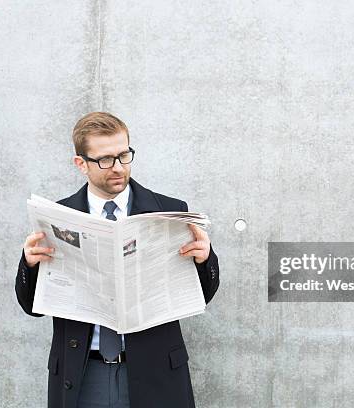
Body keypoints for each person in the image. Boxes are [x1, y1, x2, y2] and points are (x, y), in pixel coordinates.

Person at [15, 112, 220, 408]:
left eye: (124, 155)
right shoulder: (57, 217)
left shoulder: (168, 210)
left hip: (155, 370)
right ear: (81, 164)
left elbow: (201, 295)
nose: (118, 168)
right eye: (105, 159)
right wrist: (29, 265)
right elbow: (30, 307)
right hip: (83, 373)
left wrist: (205, 260)